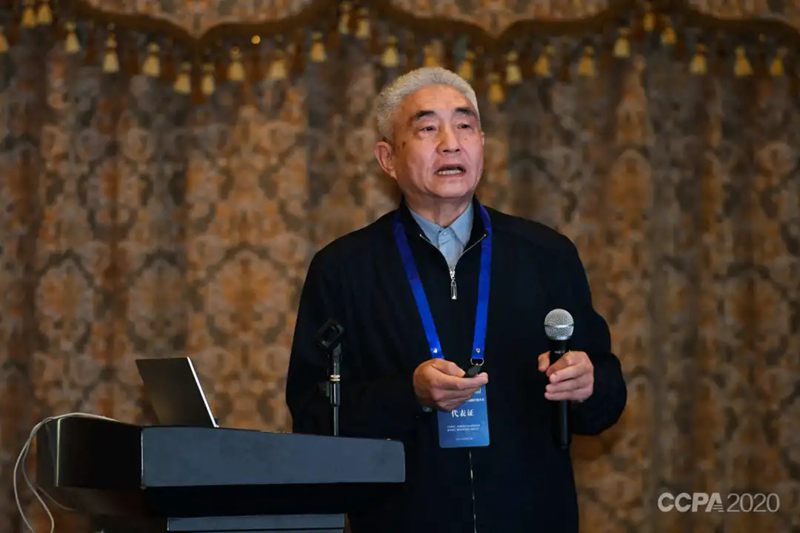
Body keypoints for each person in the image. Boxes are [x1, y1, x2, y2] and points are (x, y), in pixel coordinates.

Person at [286, 67, 626, 533]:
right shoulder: (344, 268)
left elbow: (606, 397)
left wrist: (588, 384)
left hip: (531, 515)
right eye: (428, 128)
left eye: (465, 125)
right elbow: (312, 414)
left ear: (482, 144)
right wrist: (409, 394)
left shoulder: (546, 254)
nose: (451, 143)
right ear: (388, 158)